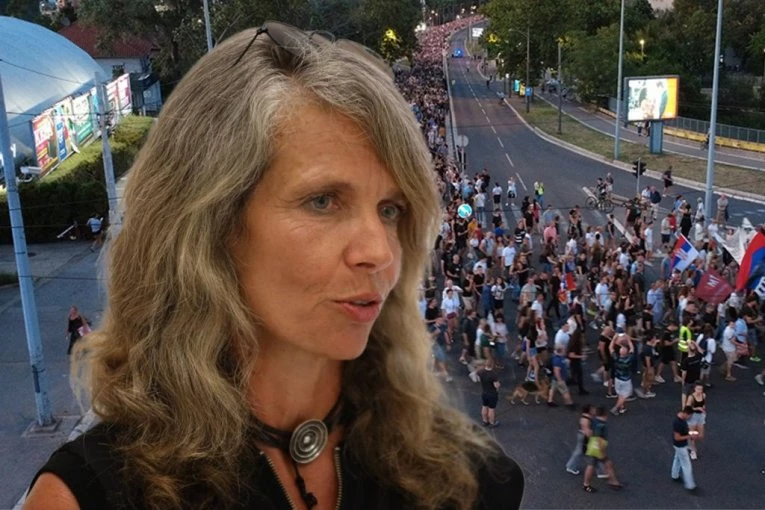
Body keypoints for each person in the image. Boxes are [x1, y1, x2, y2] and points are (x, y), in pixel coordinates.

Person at [26, 23, 524, 510]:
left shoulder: (461, 480)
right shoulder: (92, 495)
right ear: (210, 225)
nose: (380, 252)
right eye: (323, 201)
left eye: (390, 210)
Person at [672, 407, 697, 491]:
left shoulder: (681, 420)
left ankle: (674, 475)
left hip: (678, 446)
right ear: (686, 414)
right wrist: (689, 436)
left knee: (677, 459)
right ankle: (690, 485)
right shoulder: (678, 423)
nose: (690, 418)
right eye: (690, 416)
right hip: (680, 446)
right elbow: (677, 438)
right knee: (687, 465)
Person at [685, 382, 706, 460]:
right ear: (694, 389)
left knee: (700, 435)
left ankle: (688, 440)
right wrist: (697, 408)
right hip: (693, 416)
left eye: (701, 389)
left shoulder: (703, 395)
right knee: (693, 434)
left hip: (701, 416)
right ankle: (693, 451)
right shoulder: (691, 397)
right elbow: (687, 407)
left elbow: (703, 404)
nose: (699, 391)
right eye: (698, 389)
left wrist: (703, 409)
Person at [477, 359, 501, 427]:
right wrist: (498, 386)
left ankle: (485, 421)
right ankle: (492, 422)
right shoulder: (493, 374)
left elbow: (478, 379)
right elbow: (496, 385)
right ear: (492, 365)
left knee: (484, 406)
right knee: (491, 409)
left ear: (485, 364)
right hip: (492, 394)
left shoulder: (481, 372)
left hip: (484, 393)